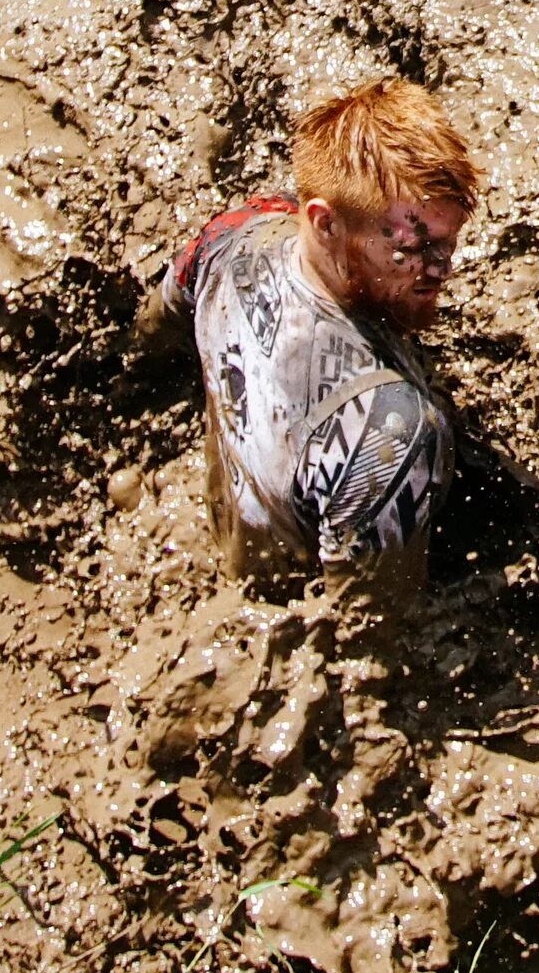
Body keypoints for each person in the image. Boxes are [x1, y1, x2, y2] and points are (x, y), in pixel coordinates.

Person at [144, 76, 481, 600]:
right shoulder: (390, 431)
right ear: (325, 223)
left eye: (451, 241)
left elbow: (156, 328)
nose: (443, 269)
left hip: (237, 524)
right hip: (283, 594)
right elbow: (366, 642)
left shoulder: (233, 231)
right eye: (418, 246)